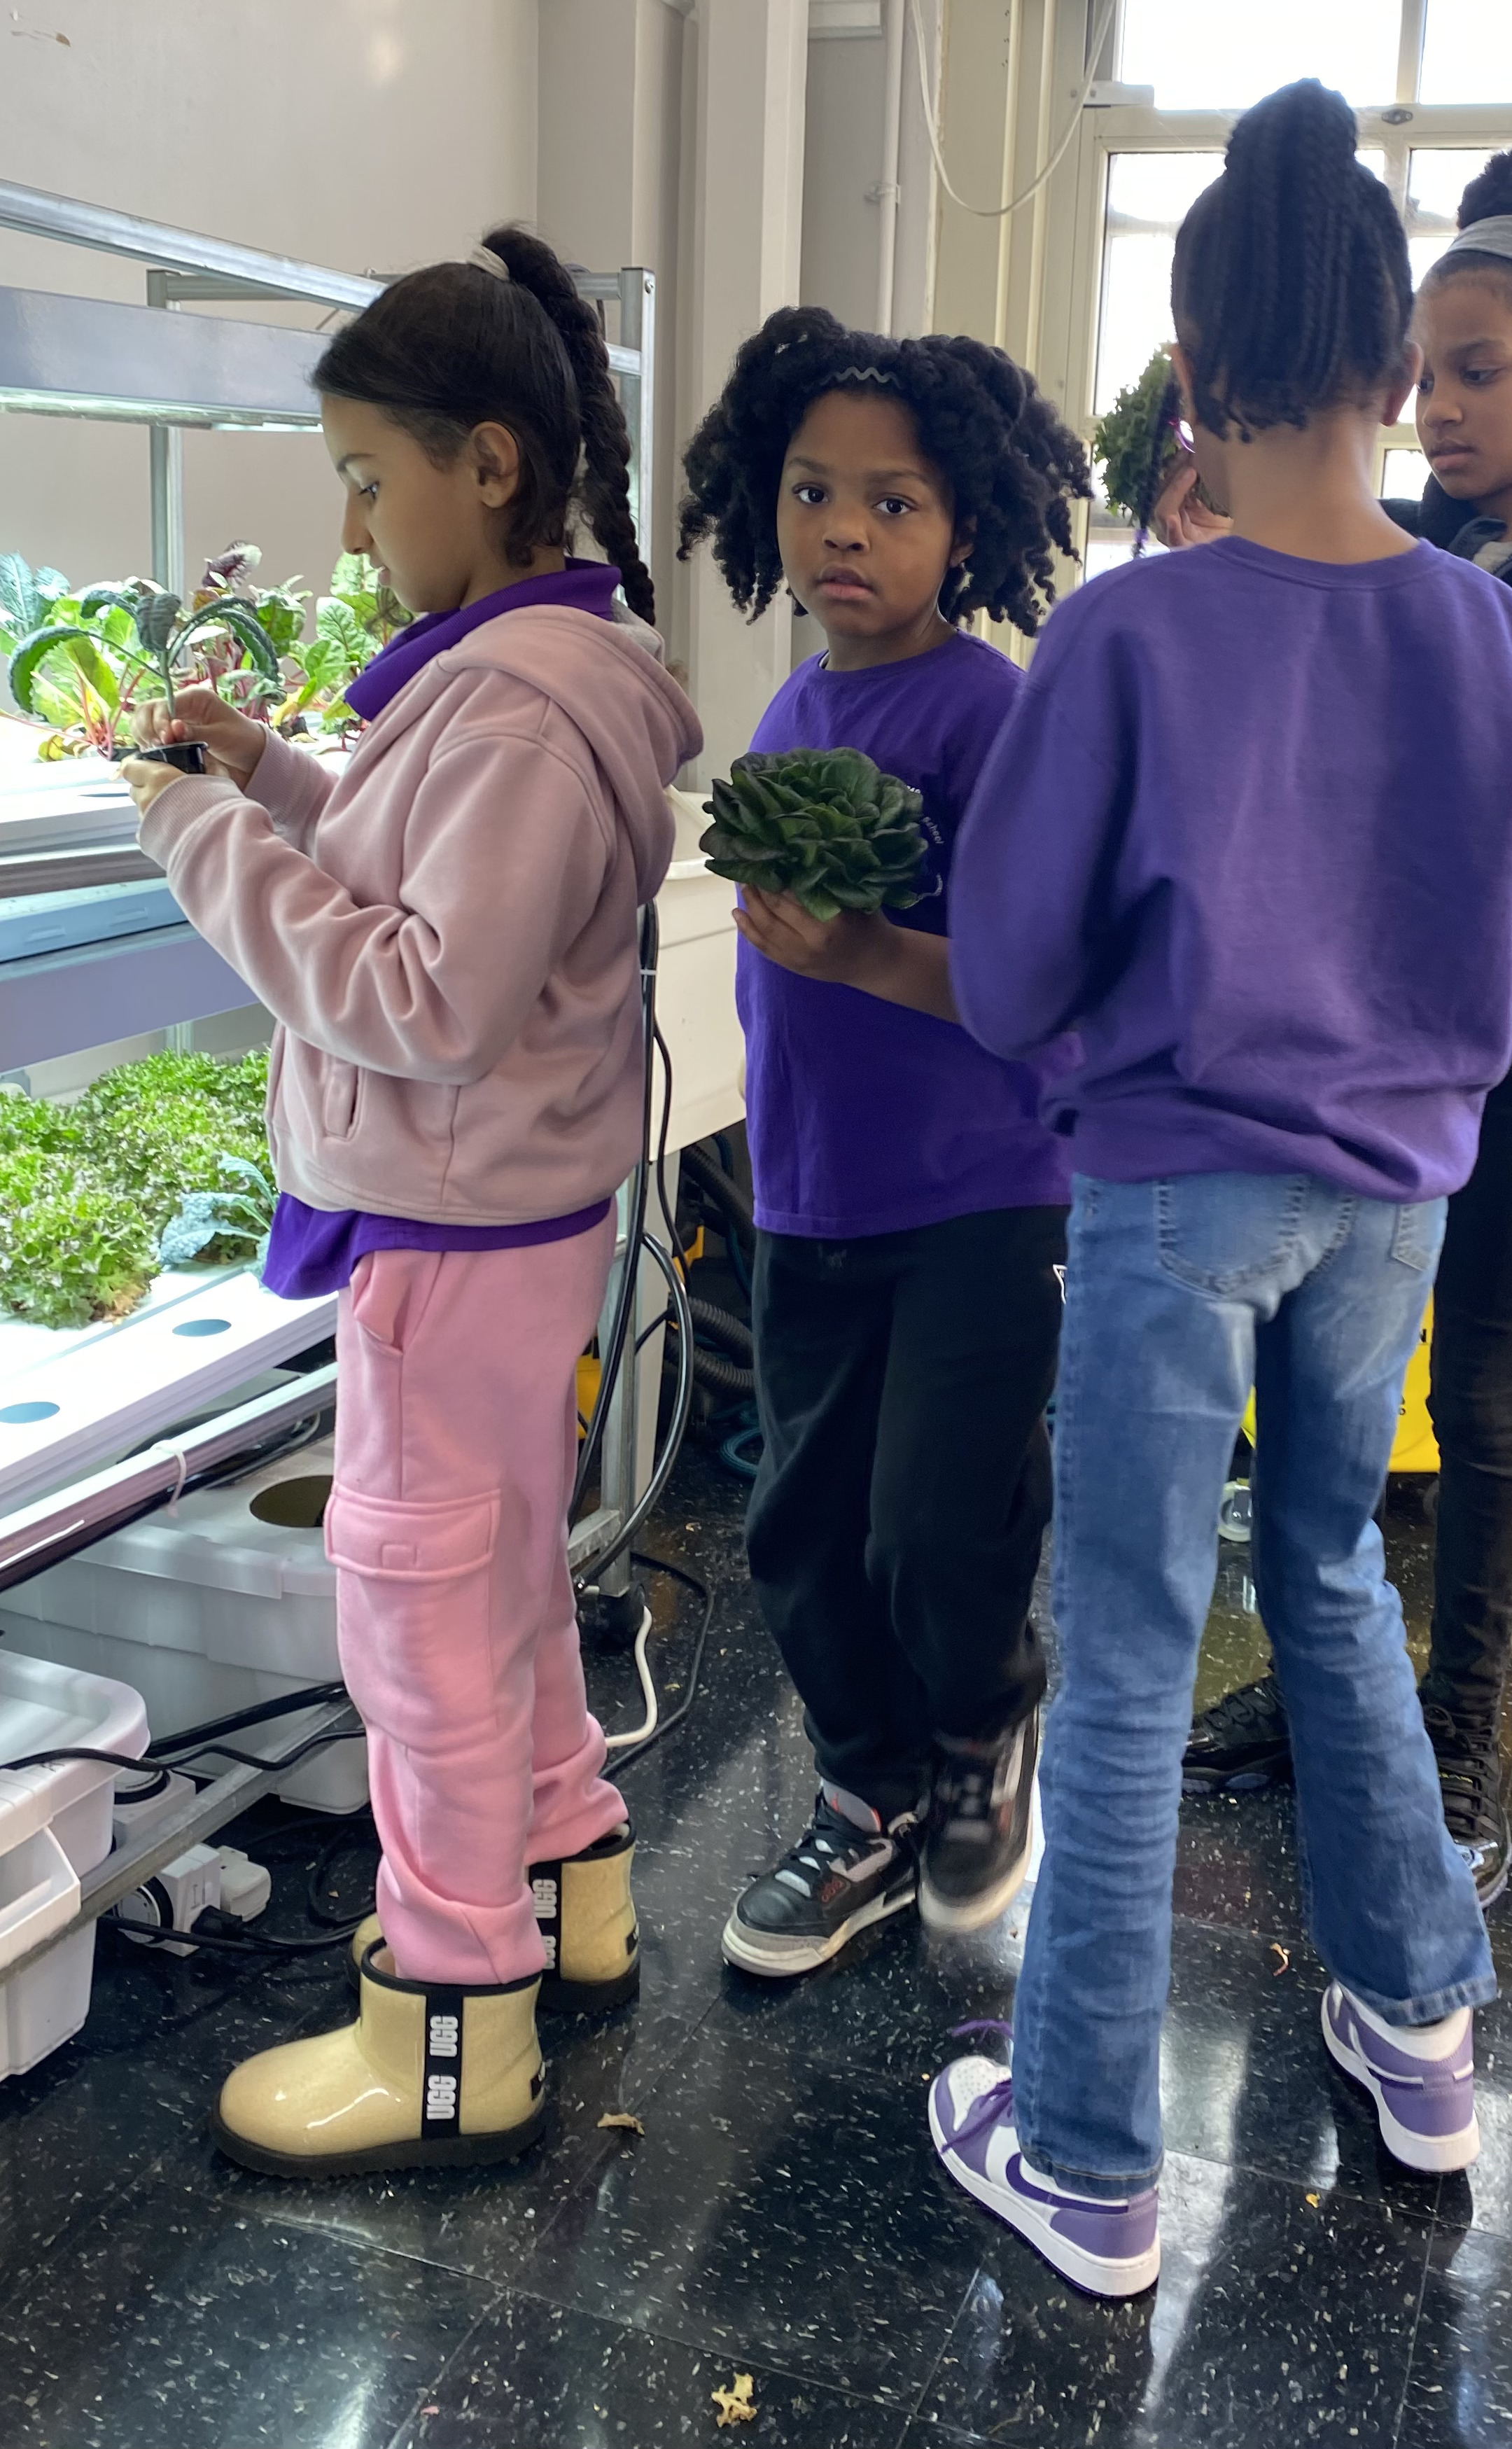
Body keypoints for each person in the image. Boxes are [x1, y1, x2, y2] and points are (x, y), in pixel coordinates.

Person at [925, 78, 1512, 2298]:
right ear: (1400, 378)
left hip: (1169, 1188)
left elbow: (1013, 966)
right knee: (1325, 1576)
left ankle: (1095, 2159)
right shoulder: (1494, 639)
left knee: (1119, 1656)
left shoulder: (1129, 635)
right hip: (1390, 1197)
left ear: (1190, 375)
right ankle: (1418, 2031)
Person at [120, 230, 701, 2176]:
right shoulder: (536, 673)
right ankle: (562, 1894)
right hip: (496, 1223)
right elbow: (425, 874)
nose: (354, 524)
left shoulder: (519, 702)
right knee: (505, 1586)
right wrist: (273, 774)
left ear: (491, 462)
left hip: (451, 1231)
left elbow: (425, 997)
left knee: (420, 1619)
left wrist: (204, 841)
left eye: (372, 479)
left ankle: (450, 2033)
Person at [1184, 144, 1512, 1902]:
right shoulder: (1390, 534)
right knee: (1307, 1377)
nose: (1436, 412)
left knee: (1486, 1392)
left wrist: (1425, 607)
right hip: (1341, 1026)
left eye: (1479, 372)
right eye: (1417, 378)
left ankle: (1461, 1733)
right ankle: (1310, 1679)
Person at [677, 308, 1089, 1976]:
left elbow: (1040, 999)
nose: (843, 528)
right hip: (809, 1191)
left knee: (934, 1521)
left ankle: (986, 1730)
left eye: (894, 503)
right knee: (800, 1525)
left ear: (965, 529)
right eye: (810, 492)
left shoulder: (991, 719)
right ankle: (867, 1801)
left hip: (983, 1195)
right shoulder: (787, 715)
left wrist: (860, 954)